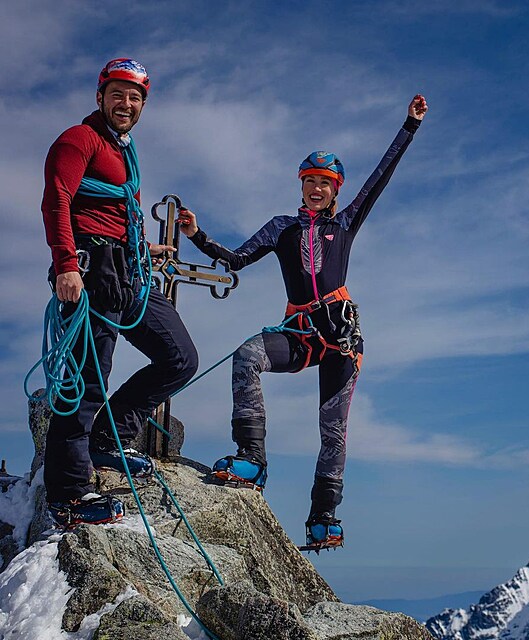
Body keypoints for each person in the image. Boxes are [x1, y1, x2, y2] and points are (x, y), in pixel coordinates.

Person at [178, 94, 427, 549]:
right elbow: (235, 260)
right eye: (309, 180)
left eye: (325, 182)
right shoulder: (281, 228)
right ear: (301, 185)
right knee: (247, 356)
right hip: (300, 334)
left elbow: (380, 178)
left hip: (342, 339)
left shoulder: (346, 223)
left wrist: (408, 127)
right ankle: (252, 460)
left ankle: (323, 517)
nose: (316, 188)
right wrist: (198, 236)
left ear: (336, 189)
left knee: (332, 429)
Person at [41, 58, 199, 526]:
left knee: (180, 357)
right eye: (117, 94)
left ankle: (108, 439)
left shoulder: (122, 150)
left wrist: (142, 246)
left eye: (134, 97)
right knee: (85, 383)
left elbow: (111, 209)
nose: (125, 103)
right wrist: (66, 265)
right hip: (90, 275)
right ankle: (69, 496)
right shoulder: (79, 139)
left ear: (143, 105)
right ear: (100, 97)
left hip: (127, 270)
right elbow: (57, 199)